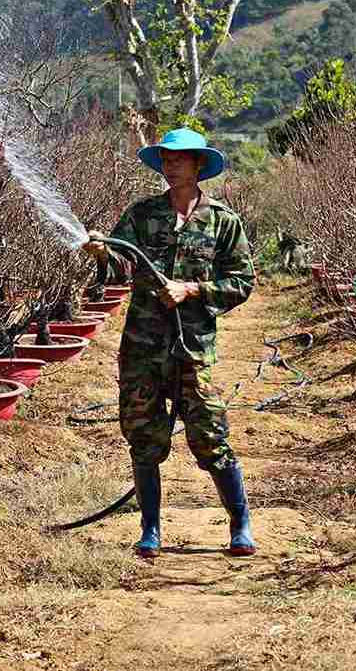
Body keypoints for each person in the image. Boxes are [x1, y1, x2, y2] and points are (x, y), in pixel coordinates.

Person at [82, 127, 256, 558]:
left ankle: (240, 524)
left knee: (210, 435)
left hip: (193, 349)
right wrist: (103, 254)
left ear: (199, 164)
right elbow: (120, 266)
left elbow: (242, 283)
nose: (171, 165)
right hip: (142, 347)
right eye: (165, 158)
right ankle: (151, 529)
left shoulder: (223, 222)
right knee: (143, 436)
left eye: (180, 158)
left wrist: (191, 290)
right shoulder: (141, 215)